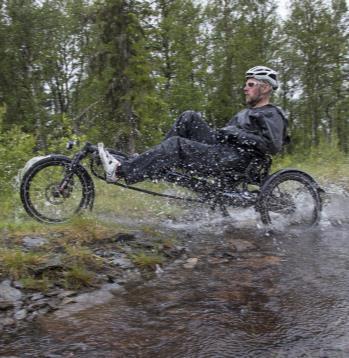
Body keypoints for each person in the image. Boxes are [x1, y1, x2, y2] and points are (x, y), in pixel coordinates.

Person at [98, 65, 288, 184]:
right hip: (223, 151)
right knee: (188, 117)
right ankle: (154, 160)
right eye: (246, 84)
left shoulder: (272, 113)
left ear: (265, 87)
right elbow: (228, 135)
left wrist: (233, 134)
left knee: (177, 145)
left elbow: (272, 145)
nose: (245, 88)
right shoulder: (246, 112)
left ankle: (120, 171)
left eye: (251, 84)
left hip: (234, 161)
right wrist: (227, 133)